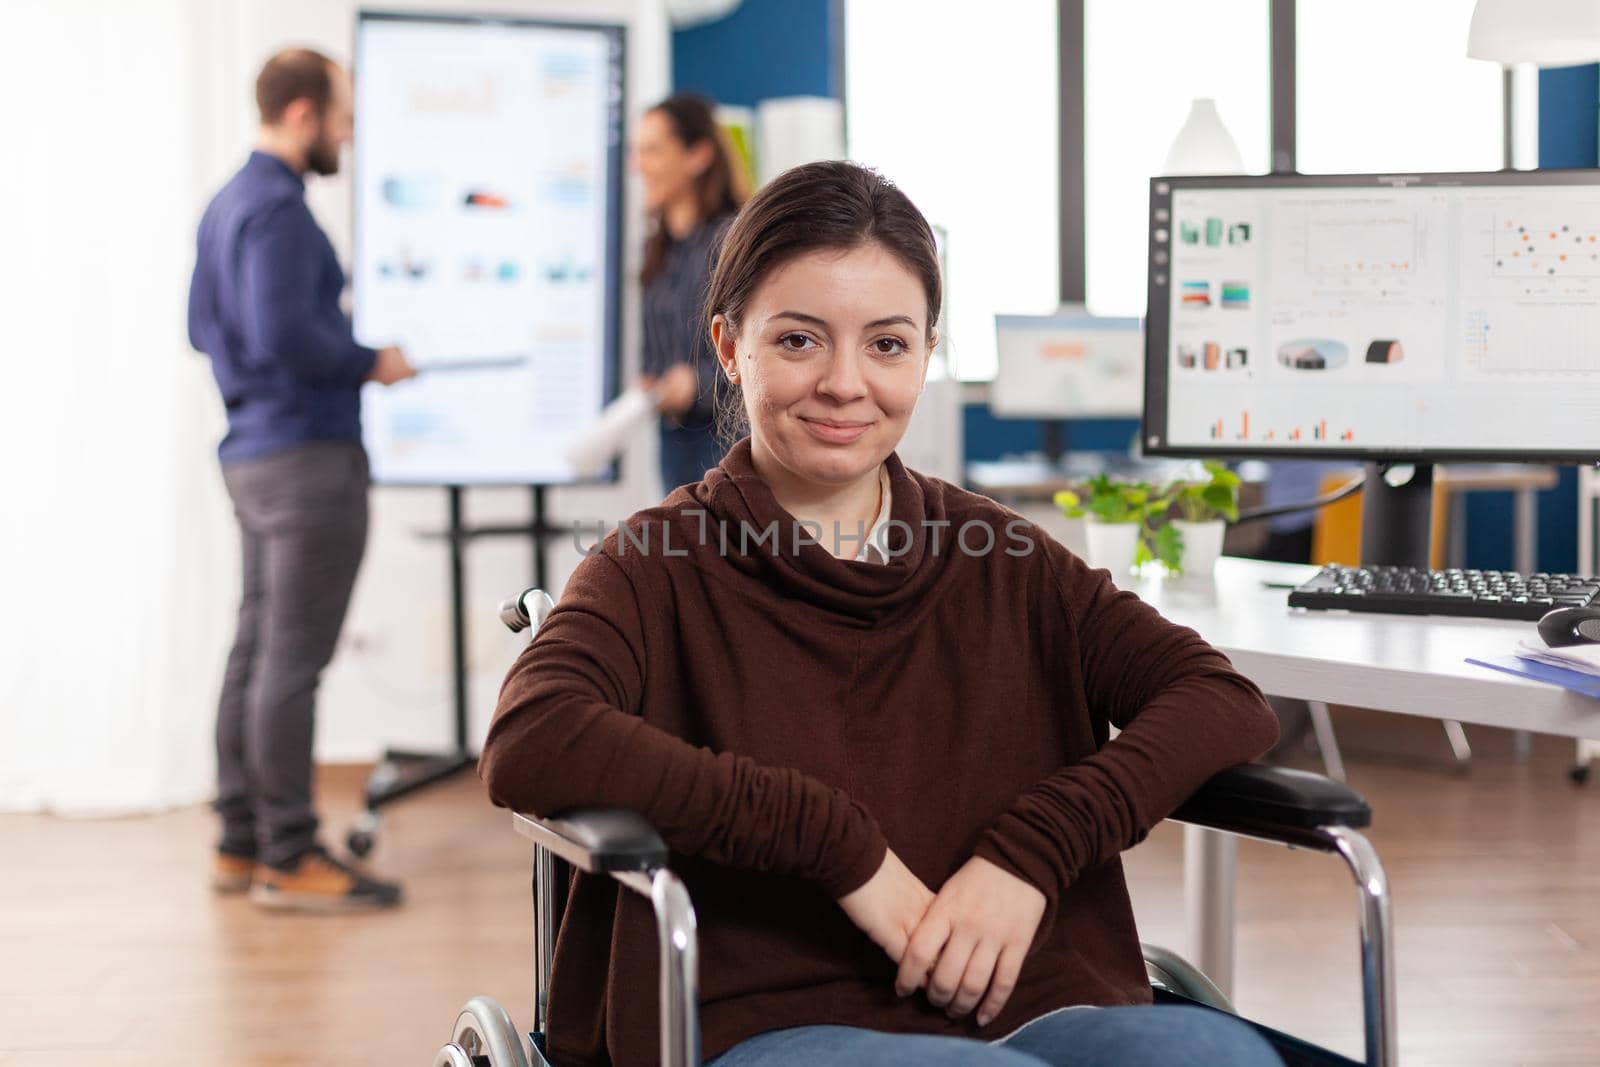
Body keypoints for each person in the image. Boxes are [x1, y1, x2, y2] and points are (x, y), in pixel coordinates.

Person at [480, 162, 1283, 1066]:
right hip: (766, 1018)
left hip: (1040, 1000)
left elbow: (1219, 696)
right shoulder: (656, 562)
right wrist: (834, 844)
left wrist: (1033, 852)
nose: (844, 384)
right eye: (798, 341)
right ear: (728, 345)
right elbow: (532, 737)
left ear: (927, 355)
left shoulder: (1003, 556)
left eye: (888, 345)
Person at [188, 48, 413, 913]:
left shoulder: (225, 206)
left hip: (251, 453)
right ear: (303, 113)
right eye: (343, 112)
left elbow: (203, 327)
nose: (350, 130)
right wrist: (371, 360)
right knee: (289, 661)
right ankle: (287, 850)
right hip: (307, 459)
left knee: (255, 648)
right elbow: (288, 334)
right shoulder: (279, 209)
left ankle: (240, 839)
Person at [633, 92, 746, 493]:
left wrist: (694, 383)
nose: (638, 166)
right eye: (637, 152)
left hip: (726, 442)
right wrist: (652, 381)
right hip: (674, 441)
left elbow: (761, 349)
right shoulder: (657, 250)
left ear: (697, 155)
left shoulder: (733, 241)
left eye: (653, 151)